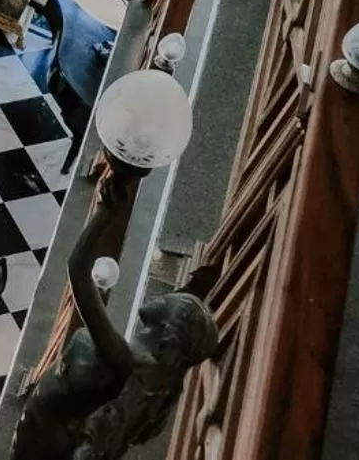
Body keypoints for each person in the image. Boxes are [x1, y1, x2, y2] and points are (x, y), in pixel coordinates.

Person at [13, 172, 218, 459]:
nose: (162, 297)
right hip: (43, 431)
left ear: (165, 336)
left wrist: (104, 215)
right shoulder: (150, 383)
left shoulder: (118, 356)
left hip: (39, 438)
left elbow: (77, 267)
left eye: (171, 301)